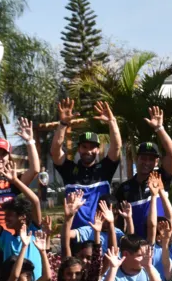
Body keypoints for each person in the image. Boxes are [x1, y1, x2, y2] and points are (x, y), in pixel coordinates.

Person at [50, 98, 122, 228]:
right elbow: (55, 151)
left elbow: (116, 147)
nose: (88, 151)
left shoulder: (105, 168)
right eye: (84, 146)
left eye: (92, 147)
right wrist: (63, 124)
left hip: (100, 235)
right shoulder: (69, 169)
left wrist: (112, 122)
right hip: (75, 236)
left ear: (98, 149)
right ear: (79, 149)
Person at [114, 105, 172, 239]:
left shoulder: (161, 178)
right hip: (136, 248)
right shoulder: (124, 188)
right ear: (137, 158)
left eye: (151, 159)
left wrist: (159, 128)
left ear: (156, 162)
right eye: (143, 158)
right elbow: (120, 222)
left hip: (161, 245)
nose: (147, 162)